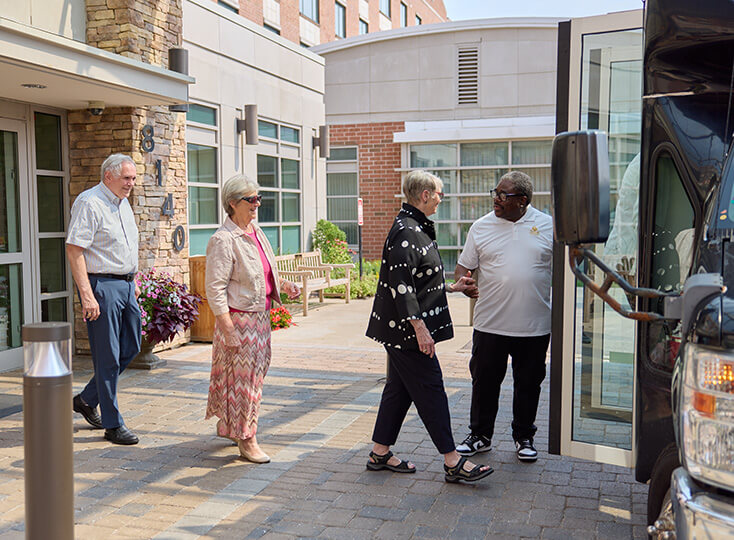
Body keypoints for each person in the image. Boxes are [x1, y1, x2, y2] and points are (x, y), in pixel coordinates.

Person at [365, 170, 493, 483]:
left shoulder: (415, 226)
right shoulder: (407, 230)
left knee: (399, 390)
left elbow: (419, 279)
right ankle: (453, 460)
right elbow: (401, 286)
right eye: (438, 193)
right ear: (424, 195)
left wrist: (451, 288)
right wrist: (420, 329)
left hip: (401, 330)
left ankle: (380, 452)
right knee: (432, 388)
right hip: (406, 332)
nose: (440, 198)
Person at [454, 171, 553, 462]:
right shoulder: (481, 227)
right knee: (484, 383)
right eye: (495, 192)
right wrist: (465, 283)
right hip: (490, 324)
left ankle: (524, 437)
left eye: (503, 195)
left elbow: (565, 271)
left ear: (522, 201)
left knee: (528, 384)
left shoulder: (548, 226)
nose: (496, 199)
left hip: (534, 327)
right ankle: (480, 436)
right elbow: (463, 267)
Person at [205, 174, 300, 463]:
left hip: (260, 320)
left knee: (252, 380)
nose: (257, 204)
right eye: (251, 199)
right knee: (243, 383)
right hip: (239, 322)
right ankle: (247, 439)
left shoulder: (255, 232)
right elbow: (215, 288)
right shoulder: (223, 239)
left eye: (258, 198)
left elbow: (264, 269)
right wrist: (228, 328)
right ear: (233, 204)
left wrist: (282, 285)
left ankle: (234, 427)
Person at [67, 153, 142, 445]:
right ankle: (113, 425)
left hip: (126, 285)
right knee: (107, 357)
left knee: (131, 345)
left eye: (133, 179)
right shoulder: (89, 202)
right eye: (126, 178)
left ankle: (87, 399)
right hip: (101, 286)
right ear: (108, 176)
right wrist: (87, 294)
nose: (131, 184)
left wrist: (132, 282)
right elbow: (75, 250)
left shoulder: (123, 205)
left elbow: (127, 246)